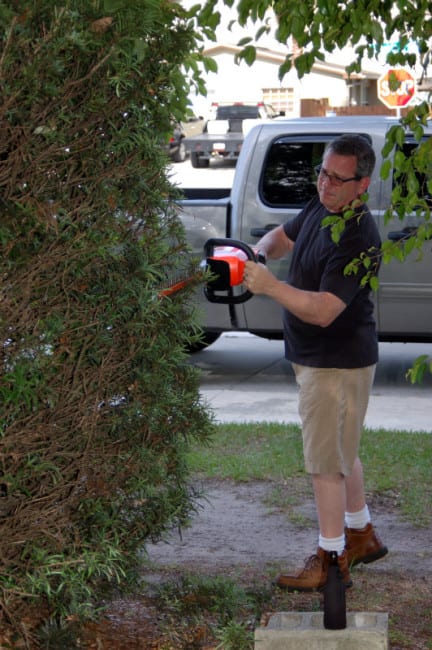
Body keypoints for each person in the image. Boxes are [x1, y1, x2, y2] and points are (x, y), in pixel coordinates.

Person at [243, 134, 388, 591]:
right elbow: (282, 236)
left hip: (335, 362)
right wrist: (260, 256)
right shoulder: (322, 206)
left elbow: (325, 310)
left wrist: (268, 286)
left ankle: (330, 559)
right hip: (317, 358)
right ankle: (360, 533)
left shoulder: (360, 236)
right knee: (341, 449)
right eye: (322, 173)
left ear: (362, 184)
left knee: (325, 463)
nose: (325, 184)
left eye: (337, 179)